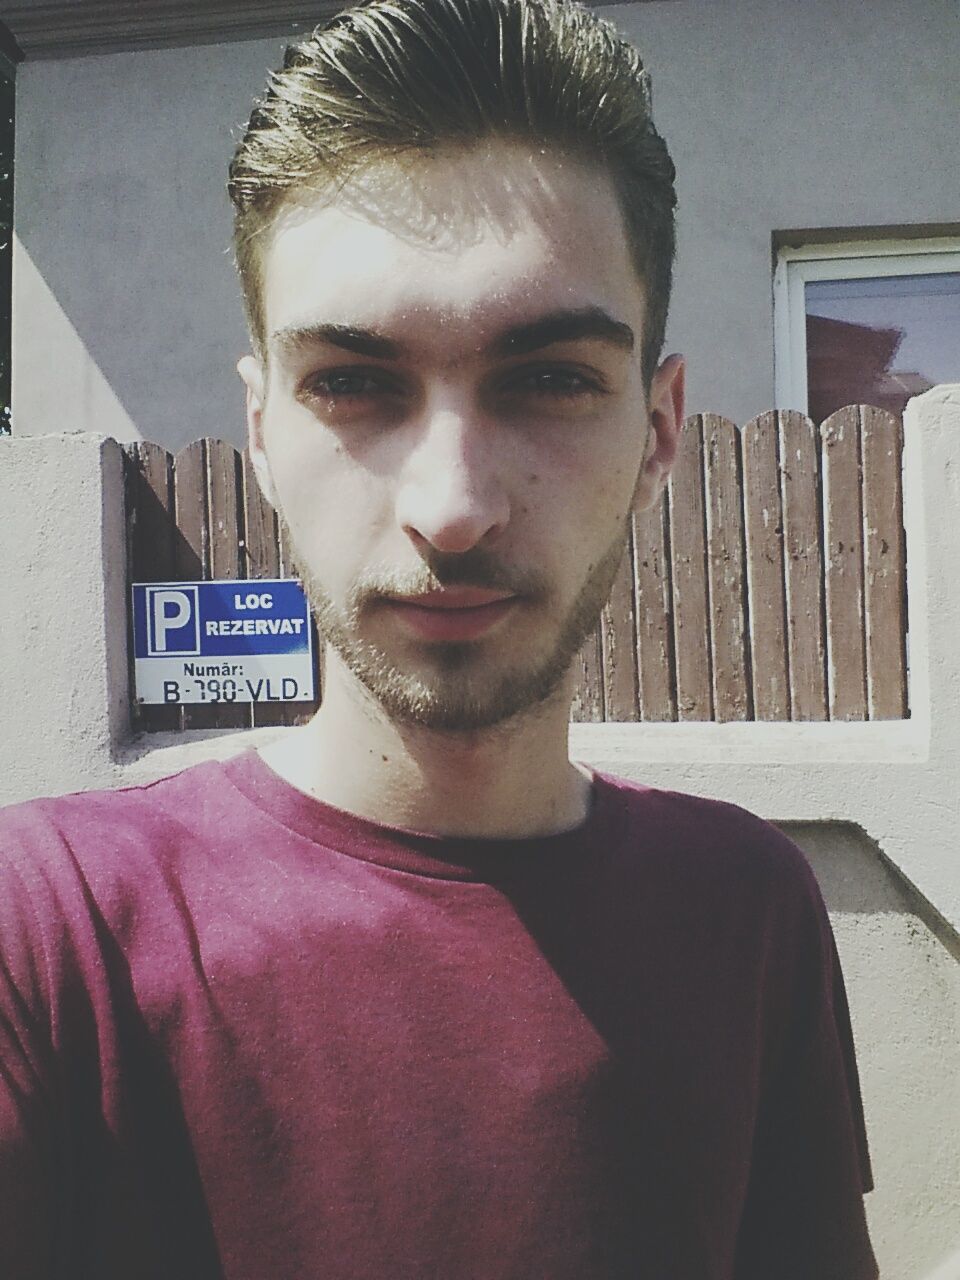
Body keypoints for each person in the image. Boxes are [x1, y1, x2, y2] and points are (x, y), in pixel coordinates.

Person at [0, 0, 878, 1275]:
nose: (452, 506)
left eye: (551, 377)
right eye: (354, 382)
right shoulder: (46, 931)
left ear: (663, 425)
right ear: (260, 429)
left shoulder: (754, 914)